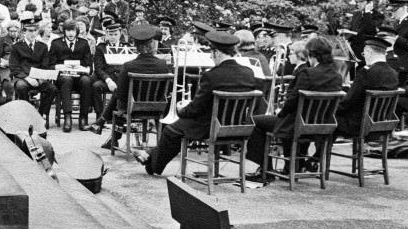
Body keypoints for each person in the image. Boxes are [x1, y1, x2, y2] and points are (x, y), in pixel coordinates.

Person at [133, 30, 257, 176]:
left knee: (171, 131)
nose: (211, 57)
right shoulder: (248, 73)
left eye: (212, 54)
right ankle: (149, 155)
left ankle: (151, 165)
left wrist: (181, 109)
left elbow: (196, 108)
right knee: (177, 129)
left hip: (210, 126)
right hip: (238, 126)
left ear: (217, 53)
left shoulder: (212, 75)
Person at [246, 36, 343, 178]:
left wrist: (280, 112)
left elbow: (293, 101)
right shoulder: (337, 76)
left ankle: (266, 170)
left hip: (297, 125)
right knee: (290, 117)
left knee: (255, 121)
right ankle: (295, 165)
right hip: (321, 125)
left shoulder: (307, 73)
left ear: (311, 55)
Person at [99, 23, 171, 151]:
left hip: (132, 109)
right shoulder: (163, 65)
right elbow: (167, 91)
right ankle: (106, 129)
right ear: (152, 45)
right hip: (157, 108)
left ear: (135, 47)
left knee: (119, 95)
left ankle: (107, 129)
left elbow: (121, 94)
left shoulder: (128, 66)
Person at [334, 36, 399, 137]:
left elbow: (349, 100)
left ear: (369, 53)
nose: (364, 57)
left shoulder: (366, 72)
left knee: (327, 118)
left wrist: (333, 109)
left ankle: (323, 152)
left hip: (358, 124)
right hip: (382, 122)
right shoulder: (393, 73)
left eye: (364, 54)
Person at [8, 17, 57, 125]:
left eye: (35, 31)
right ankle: (27, 115)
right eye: (30, 31)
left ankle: (40, 114)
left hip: (39, 78)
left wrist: (40, 79)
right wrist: (27, 78)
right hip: (23, 77)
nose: (33, 33)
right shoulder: (16, 47)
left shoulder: (42, 47)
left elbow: (45, 66)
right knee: (21, 87)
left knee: (52, 89)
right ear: (24, 32)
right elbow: (14, 67)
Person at [49, 19, 94, 131]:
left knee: (86, 81)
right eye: (68, 30)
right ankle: (67, 117)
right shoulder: (56, 43)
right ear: (64, 31)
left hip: (79, 77)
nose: (70, 33)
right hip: (63, 78)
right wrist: (61, 67)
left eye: (73, 30)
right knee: (66, 79)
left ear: (76, 31)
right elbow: (50, 65)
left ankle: (83, 118)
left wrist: (82, 69)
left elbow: (89, 65)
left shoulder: (83, 43)